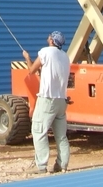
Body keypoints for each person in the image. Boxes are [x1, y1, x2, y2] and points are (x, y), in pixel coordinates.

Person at [23, 31, 71, 174]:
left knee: (39, 131)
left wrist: (27, 58)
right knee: (61, 135)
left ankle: (42, 166)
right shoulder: (65, 56)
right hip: (61, 100)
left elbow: (31, 70)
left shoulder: (45, 52)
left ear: (51, 40)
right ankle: (62, 165)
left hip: (47, 99)